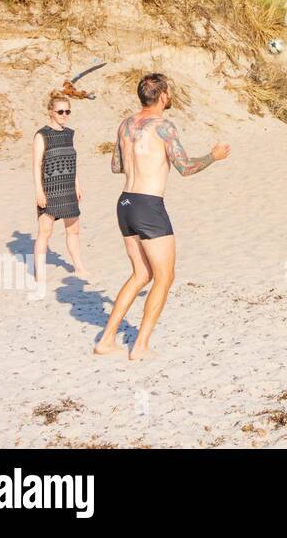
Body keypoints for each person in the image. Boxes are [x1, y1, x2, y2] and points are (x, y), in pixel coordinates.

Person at [93, 73, 230, 360]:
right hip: (148, 205)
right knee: (165, 277)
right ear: (163, 96)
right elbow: (185, 168)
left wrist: (140, 161)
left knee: (141, 273)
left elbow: (116, 165)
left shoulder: (125, 124)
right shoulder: (164, 127)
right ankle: (140, 346)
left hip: (125, 203)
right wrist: (213, 157)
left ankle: (106, 340)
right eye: (170, 91)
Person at [32, 90, 88, 281]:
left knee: (73, 230)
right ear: (50, 112)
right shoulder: (42, 135)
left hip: (68, 188)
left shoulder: (69, 134)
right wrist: (39, 191)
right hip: (50, 189)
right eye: (60, 112)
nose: (64, 115)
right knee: (45, 233)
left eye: (67, 112)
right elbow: (36, 165)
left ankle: (79, 267)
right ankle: (39, 274)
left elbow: (71, 161)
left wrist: (77, 184)